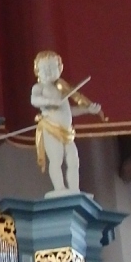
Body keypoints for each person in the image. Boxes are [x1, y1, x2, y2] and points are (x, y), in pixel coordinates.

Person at [31, 51, 102, 195]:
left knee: (73, 160)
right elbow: (34, 100)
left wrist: (87, 110)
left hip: (67, 132)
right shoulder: (39, 88)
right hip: (51, 128)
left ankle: (74, 189)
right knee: (56, 159)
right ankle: (60, 188)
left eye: (52, 68)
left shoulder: (61, 89)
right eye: (45, 69)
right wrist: (50, 102)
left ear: (60, 68)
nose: (49, 72)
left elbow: (69, 111)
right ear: (37, 71)